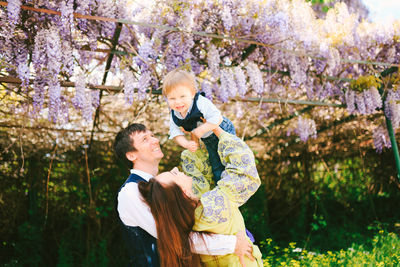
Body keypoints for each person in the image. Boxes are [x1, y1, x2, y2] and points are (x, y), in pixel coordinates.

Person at [113, 123, 253, 266]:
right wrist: (232, 243)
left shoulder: (163, 183)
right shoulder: (130, 192)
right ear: (131, 155)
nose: (155, 140)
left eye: (152, 136)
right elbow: (174, 237)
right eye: (145, 139)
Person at [163, 69, 236, 183]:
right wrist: (187, 144)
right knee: (215, 163)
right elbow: (175, 133)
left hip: (223, 130)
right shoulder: (174, 114)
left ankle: (236, 180)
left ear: (192, 94)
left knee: (230, 158)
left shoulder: (200, 102)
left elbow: (217, 117)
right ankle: (221, 187)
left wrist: (201, 129)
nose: (177, 102)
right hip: (209, 140)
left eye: (182, 96)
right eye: (172, 98)